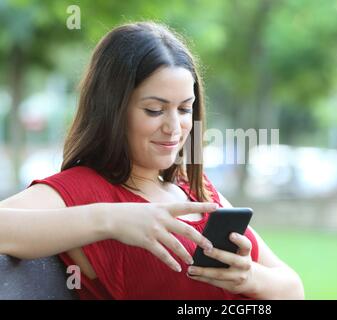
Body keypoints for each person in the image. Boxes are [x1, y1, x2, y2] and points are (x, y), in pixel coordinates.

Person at [0, 22, 304, 300]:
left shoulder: (194, 189)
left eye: (185, 110)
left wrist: (248, 278)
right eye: (155, 110)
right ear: (112, 110)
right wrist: (112, 220)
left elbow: (293, 289)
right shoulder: (82, 189)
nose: (174, 127)